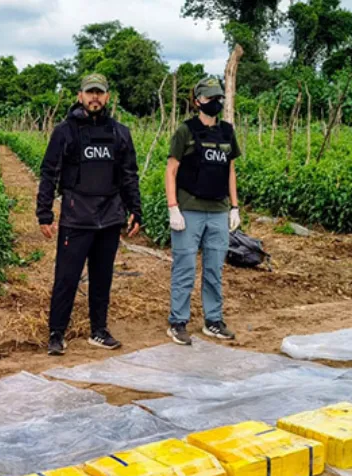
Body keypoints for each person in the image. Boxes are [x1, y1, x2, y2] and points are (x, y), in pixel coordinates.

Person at [36, 73, 142, 356]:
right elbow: (49, 172)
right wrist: (44, 213)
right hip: (76, 217)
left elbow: (129, 174)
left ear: (107, 97)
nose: (95, 97)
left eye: (100, 93)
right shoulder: (65, 131)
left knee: (102, 277)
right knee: (66, 277)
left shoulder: (120, 132)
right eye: (90, 92)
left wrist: (136, 209)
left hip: (110, 217)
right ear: (80, 96)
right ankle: (57, 333)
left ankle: (99, 330)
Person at [163, 76, 242, 346]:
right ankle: (177, 322)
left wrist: (234, 207)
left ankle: (213, 320)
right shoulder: (186, 131)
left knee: (214, 269)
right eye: (210, 98)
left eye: (218, 97)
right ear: (197, 101)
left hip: (218, 210)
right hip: (190, 209)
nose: (215, 102)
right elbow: (171, 170)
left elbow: (230, 170)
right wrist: (173, 207)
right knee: (184, 267)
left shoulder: (227, 132)